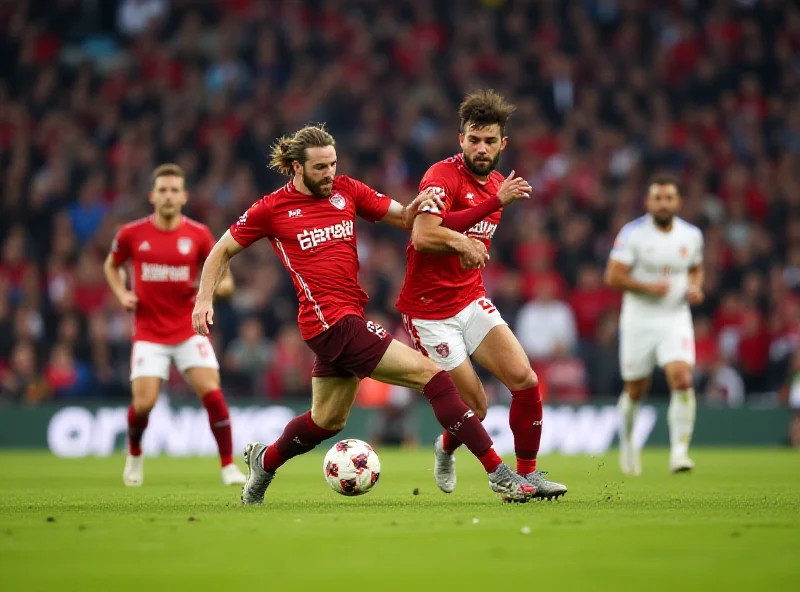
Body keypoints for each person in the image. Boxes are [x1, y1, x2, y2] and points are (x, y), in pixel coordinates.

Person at [191, 125, 536, 505]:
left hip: (345, 318)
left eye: (333, 164)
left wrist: (418, 206)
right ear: (296, 168)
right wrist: (203, 300)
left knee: (326, 421)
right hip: (331, 323)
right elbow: (219, 251)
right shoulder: (271, 209)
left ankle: (264, 461)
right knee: (433, 377)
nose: (329, 174)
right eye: (320, 167)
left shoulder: (347, 190)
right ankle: (498, 473)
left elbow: (404, 218)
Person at [396, 90, 568, 499]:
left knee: (525, 380)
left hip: (469, 299)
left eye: (490, 140)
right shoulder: (442, 176)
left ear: (502, 144)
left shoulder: (496, 186)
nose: (481, 147)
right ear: (461, 139)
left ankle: (526, 477)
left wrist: (476, 234)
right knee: (476, 404)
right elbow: (422, 234)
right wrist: (472, 228)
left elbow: (467, 236)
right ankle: (445, 449)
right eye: (474, 139)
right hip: (429, 311)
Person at [104, 163, 247, 487]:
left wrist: (205, 289)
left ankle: (228, 466)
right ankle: (135, 453)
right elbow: (111, 266)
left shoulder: (198, 235)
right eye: (163, 190)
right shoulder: (132, 234)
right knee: (144, 404)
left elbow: (227, 284)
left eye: (174, 191)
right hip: (149, 333)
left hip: (187, 329)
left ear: (184, 196)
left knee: (211, 391)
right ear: (152, 196)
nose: (168, 196)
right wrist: (122, 294)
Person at [605, 175, 705, 475]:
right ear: (648, 202)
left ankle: (679, 452)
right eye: (658, 198)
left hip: (675, 317)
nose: (663, 203)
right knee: (636, 389)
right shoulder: (633, 233)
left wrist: (696, 287)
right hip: (639, 319)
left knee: (682, 379)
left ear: (678, 202)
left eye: (669, 198)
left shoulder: (691, 235)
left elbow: (696, 269)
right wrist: (647, 288)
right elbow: (612, 276)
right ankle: (627, 443)